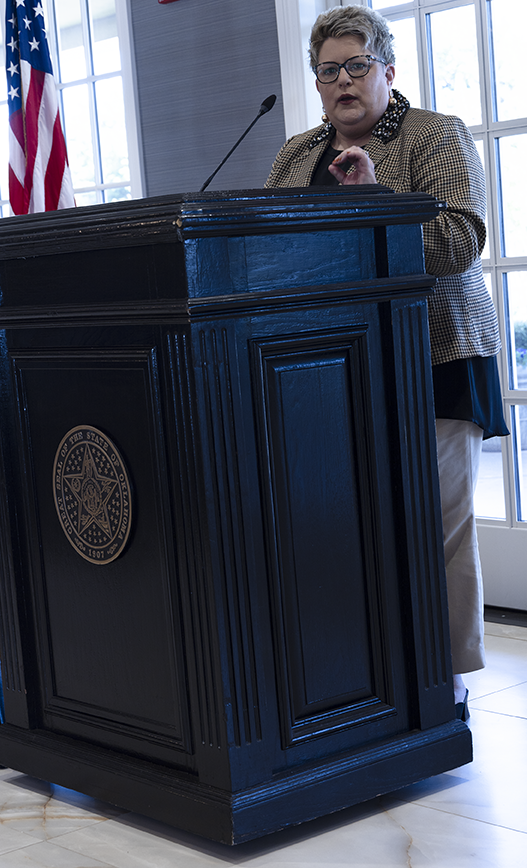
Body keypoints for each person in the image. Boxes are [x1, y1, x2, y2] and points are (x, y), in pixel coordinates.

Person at [266, 5, 509, 721]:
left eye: (356, 66)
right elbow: (271, 248)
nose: (342, 82)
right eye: (328, 70)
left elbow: (460, 240)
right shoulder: (293, 155)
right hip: (328, 368)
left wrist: (376, 199)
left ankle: (444, 680)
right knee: (351, 525)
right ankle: (365, 674)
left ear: (388, 72)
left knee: (438, 527)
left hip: (435, 353)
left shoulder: (434, 135)